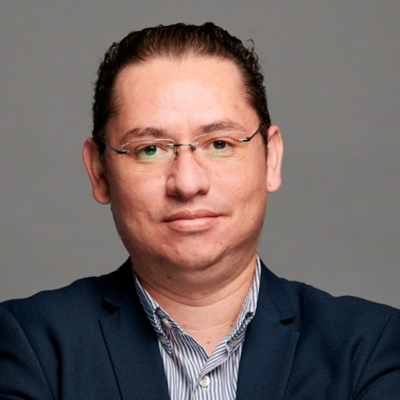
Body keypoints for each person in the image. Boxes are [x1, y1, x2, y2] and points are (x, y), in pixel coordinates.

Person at [0, 22, 399, 400]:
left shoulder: (371, 347)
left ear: (271, 159)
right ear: (99, 171)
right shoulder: (28, 344)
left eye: (220, 143)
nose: (188, 183)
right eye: (150, 149)